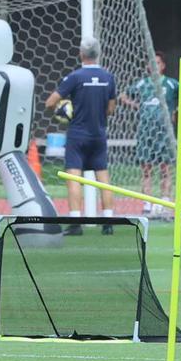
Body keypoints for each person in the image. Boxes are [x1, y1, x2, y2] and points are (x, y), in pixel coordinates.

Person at [44, 38, 117, 236]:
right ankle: (108, 222)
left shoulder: (75, 77)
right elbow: (111, 109)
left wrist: (64, 109)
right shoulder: (108, 77)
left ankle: (76, 222)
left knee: (74, 178)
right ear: (98, 54)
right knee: (103, 177)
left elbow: (50, 102)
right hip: (99, 134)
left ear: (81, 54)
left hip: (77, 135)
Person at [123, 51, 181, 218]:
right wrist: (137, 106)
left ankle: (165, 203)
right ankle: (147, 204)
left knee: (165, 169)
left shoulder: (171, 84)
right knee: (146, 169)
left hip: (164, 132)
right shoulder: (141, 84)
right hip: (145, 131)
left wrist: (177, 109)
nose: (154, 66)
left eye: (157, 63)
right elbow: (123, 96)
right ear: (147, 66)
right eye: (151, 63)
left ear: (163, 66)